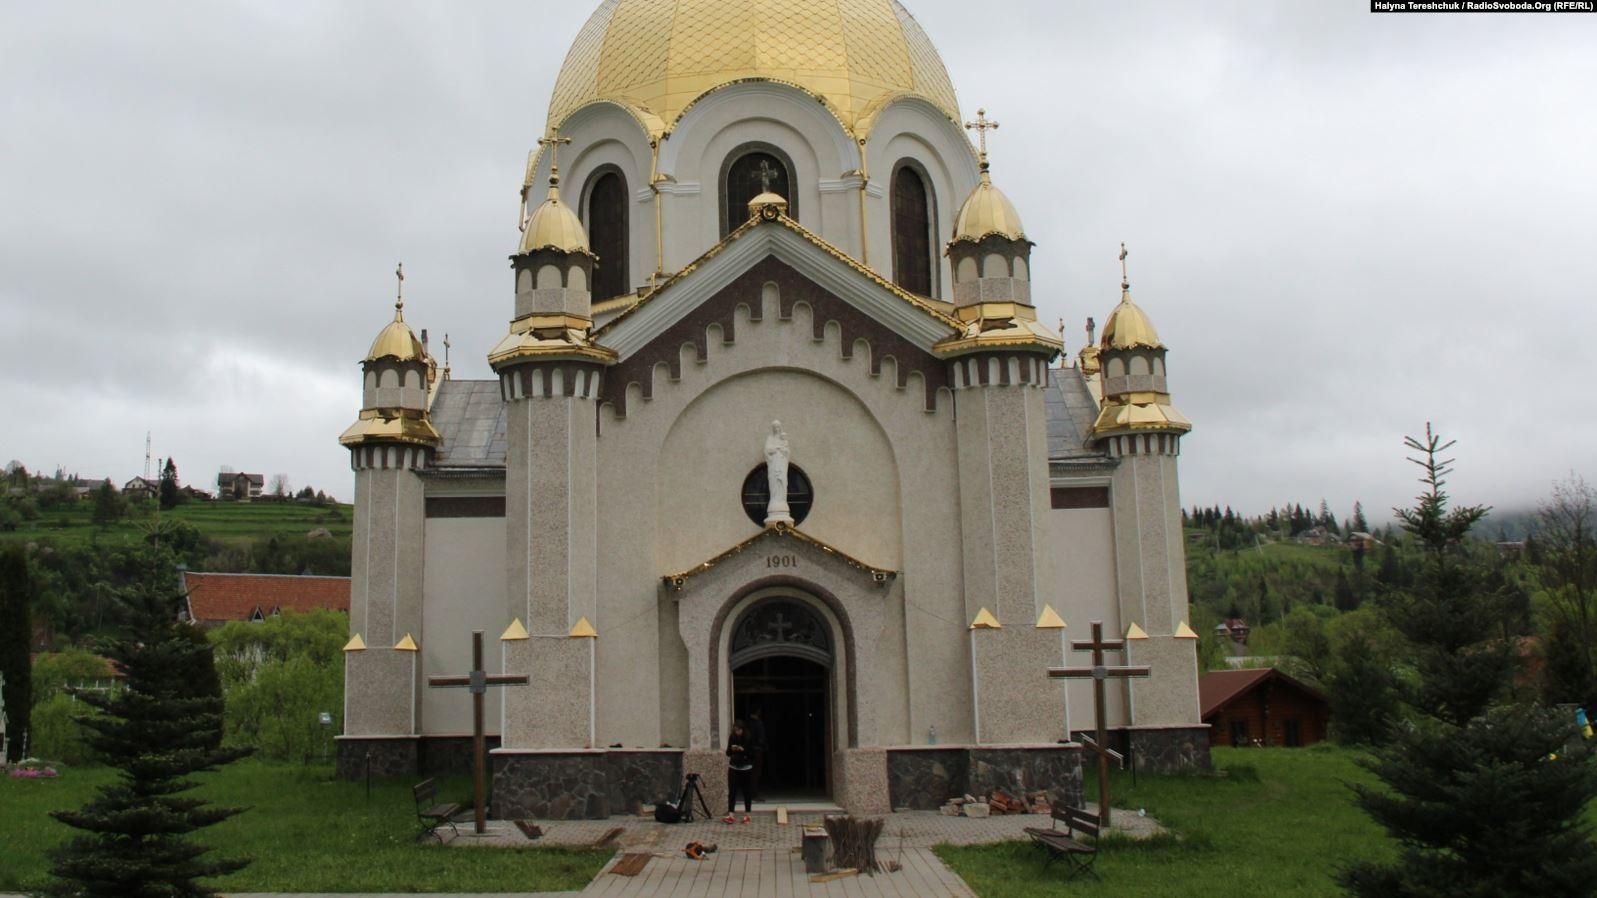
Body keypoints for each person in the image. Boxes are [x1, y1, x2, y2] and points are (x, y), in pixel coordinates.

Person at [725, 719, 755, 823]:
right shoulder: (732, 737)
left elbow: (752, 754)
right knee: (732, 791)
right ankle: (731, 814)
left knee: (747, 791)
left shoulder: (748, 738)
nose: (737, 732)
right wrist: (732, 749)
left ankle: (747, 814)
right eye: (735, 730)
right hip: (734, 767)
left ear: (743, 730)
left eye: (738, 730)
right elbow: (728, 753)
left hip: (746, 768)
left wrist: (743, 750)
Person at [749, 707, 768, 800]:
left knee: (752, 772)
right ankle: (754, 794)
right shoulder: (758, 723)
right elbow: (761, 738)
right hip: (757, 751)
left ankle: (752, 792)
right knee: (755, 773)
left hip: (750, 750)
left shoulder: (749, 723)